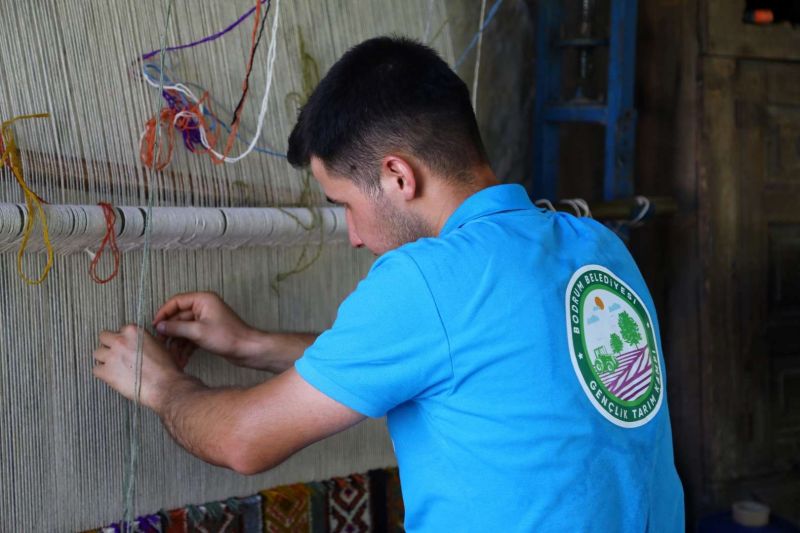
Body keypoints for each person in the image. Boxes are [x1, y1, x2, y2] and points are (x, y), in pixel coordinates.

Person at [94, 36, 685, 531]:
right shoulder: (600, 249)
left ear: (397, 175)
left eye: (344, 204)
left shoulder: (427, 279)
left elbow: (244, 442)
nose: (351, 235)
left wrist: (162, 385)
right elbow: (452, 365)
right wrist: (251, 344)